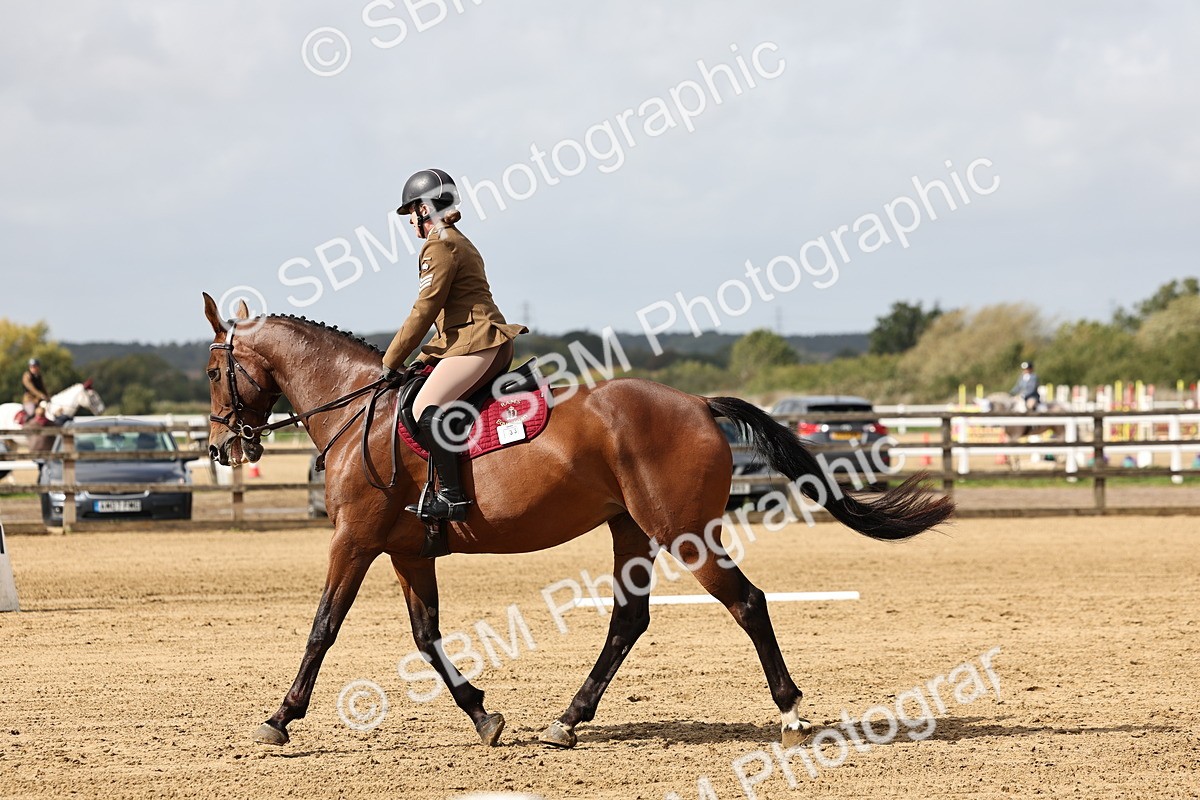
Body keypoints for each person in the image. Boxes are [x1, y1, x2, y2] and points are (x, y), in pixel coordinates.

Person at [381, 168, 527, 525]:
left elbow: (425, 309)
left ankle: (452, 497)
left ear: (421, 210)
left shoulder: (440, 243)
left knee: (423, 408)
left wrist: (391, 360)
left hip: (476, 342)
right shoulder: (457, 238)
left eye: (411, 213)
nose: (410, 223)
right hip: (478, 340)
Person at [21, 358, 50, 422]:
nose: (34, 368)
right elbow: (31, 388)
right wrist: (41, 395)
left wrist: (48, 397)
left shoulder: (39, 376)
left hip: (38, 400)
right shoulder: (27, 376)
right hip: (29, 400)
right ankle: (25, 425)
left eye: (35, 367)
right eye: (32, 367)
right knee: (31, 413)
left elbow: (43, 387)